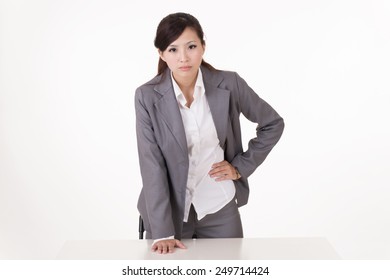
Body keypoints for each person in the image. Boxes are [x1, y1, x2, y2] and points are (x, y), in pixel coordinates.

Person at [135, 12, 284, 254]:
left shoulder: (229, 83)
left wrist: (240, 167)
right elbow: (151, 164)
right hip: (167, 214)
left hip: (219, 208)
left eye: (191, 46)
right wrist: (163, 232)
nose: (183, 57)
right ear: (162, 54)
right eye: (173, 50)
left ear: (203, 47)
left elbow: (272, 123)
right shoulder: (146, 96)